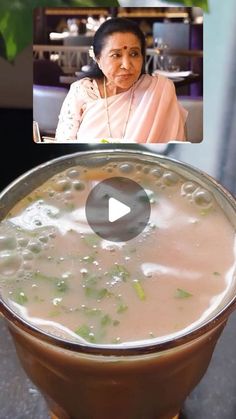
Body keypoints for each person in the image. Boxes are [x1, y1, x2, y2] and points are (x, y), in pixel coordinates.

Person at [55, 17, 187, 143]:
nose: (127, 65)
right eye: (116, 55)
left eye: (134, 54)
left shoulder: (158, 91)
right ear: (98, 59)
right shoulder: (82, 91)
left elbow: (174, 150)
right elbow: (64, 145)